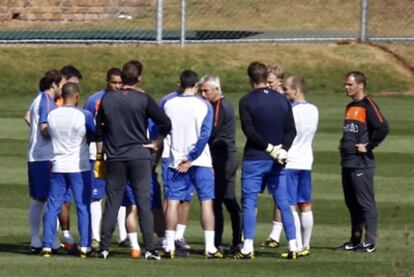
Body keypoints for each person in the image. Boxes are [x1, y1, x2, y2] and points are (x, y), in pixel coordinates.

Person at [95, 60, 171, 260]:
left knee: (112, 201)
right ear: (139, 78)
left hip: (116, 156)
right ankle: (150, 249)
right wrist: (157, 142)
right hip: (139, 154)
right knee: (144, 202)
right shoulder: (143, 99)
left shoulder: (108, 99)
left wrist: (103, 152)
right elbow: (165, 122)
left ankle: (103, 247)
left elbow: (99, 129)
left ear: (122, 77)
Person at [233, 61, 297, 260]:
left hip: (255, 158)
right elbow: (291, 130)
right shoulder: (281, 100)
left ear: (251, 79)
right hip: (278, 160)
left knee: (250, 203)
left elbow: (249, 131)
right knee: (283, 203)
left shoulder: (246, 100)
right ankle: (294, 246)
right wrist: (282, 150)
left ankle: (247, 246)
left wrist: (268, 148)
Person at [161, 70, 222, 259]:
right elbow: (205, 135)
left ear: (180, 83)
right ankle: (210, 246)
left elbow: (163, 130)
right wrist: (192, 156)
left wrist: (184, 158)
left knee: (172, 202)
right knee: (206, 202)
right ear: (196, 85)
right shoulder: (204, 106)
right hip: (200, 160)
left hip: (176, 160)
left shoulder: (169, 104)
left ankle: (169, 244)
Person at [40, 82, 95, 258]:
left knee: (53, 205)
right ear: (76, 96)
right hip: (79, 166)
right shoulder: (84, 114)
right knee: (82, 206)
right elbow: (93, 134)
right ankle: (85, 246)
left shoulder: (52, 114)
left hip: (58, 165)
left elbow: (48, 133)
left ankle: (47, 244)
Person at [339, 71, 389, 253]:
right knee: (352, 204)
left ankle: (370, 243)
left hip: (361, 163)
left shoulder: (369, 105)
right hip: (347, 162)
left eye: (350, 84)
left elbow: (383, 127)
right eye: (346, 84)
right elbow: (352, 131)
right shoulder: (349, 107)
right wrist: (343, 142)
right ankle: (355, 239)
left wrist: (368, 146)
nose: (346, 87)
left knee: (365, 203)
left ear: (360, 86)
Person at [83, 68, 128, 251]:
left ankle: (123, 235)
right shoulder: (94, 99)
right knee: (96, 195)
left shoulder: (127, 98)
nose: (116, 86)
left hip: (119, 153)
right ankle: (95, 236)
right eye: (113, 82)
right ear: (106, 81)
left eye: (119, 83)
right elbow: (87, 124)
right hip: (98, 154)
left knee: (119, 193)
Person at [199, 75, 242, 253]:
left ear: (216, 90)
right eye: (201, 90)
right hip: (223, 156)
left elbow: (212, 131)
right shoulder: (219, 105)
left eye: (206, 91)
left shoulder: (219, 106)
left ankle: (228, 241)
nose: (202, 94)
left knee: (224, 200)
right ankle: (229, 241)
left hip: (223, 158)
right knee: (222, 199)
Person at [26, 70, 64, 253]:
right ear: (54, 85)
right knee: (48, 199)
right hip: (44, 156)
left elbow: (27, 117)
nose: (63, 88)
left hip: (36, 155)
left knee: (41, 198)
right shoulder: (48, 102)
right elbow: (44, 129)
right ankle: (43, 238)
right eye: (62, 84)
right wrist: (62, 132)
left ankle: (41, 238)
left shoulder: (38, 99)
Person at [281, 76, 319, 257]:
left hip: (290, 161)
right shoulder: (314, 109)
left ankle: (294, 245)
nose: (284, 91)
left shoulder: (289, 110)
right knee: (305, 204)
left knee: (290, 206)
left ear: (295, 90)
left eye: (286, 88)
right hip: (306, 161)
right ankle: (306, 245)